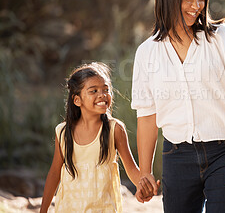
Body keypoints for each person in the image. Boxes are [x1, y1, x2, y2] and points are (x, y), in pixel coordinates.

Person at [131, 0, 225, 212]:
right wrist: (145, 172)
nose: (196, 6)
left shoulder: (222, 38)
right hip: (177, 156)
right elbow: (146, 116)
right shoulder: (147, 52)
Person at [40, 62, 154, 213]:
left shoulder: (115, 129)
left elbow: (132, 170)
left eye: (105, 89)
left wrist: (144, 185)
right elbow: (55, 173)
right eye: (93, 91)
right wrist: (43, 210)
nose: (102, 94)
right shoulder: (62, 132)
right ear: (77, 100)